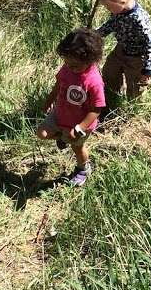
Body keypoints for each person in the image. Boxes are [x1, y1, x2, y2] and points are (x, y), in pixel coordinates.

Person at [36, 28, 106, 187]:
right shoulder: (67, 68)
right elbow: (58, 85)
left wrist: (80, 128)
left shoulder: (93, 82)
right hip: (61, 113)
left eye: (74, 65)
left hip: (81, 123)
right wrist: (48, 101)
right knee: (42, 133)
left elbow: (96, 109)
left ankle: (83, 168)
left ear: (90, 60)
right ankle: (62, 137)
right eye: (66, 62)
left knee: (77, 148)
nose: (69, 66)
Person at [94, 0, 151, 102]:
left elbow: (150, 44)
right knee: (109, 73)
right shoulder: (119, 12)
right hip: (120, 51)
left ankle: (135, 107)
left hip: (137, 58)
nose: (108, 9)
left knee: (135, 87)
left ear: (121, 2)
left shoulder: (139, 20)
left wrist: (148, 68)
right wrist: (95, 35)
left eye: (108, 6)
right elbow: (111, 24)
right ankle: (112, 97)